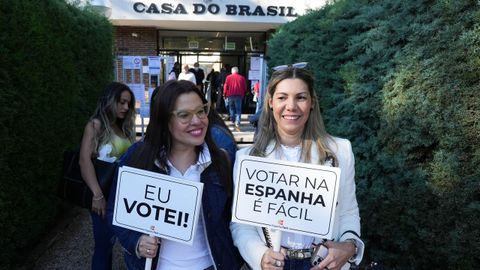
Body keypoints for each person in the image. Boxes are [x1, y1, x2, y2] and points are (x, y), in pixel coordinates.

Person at [230, 66, 364, 270]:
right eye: (282, 97)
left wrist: (349, 246)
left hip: (322, 263)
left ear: (311, 103)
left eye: (300, 97)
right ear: (270, 102)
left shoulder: (340, 152)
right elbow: (241, 223)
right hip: (274, 264)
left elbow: (348, 212)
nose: (291, 106)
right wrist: (260, 256)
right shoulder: (248, 159)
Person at [107, 80, 244, 270]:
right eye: (184, 115)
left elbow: (235, 220)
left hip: (210, 265)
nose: (197, 121)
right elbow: (115, 211)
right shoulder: (138, 158)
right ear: (164, 120)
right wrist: (137, 242)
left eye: (201, 111)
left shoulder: (221, 161)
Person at [79, 81, 136, 270]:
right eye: (121, 102)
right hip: (103, 195)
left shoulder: (123, 127)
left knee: (115, 244)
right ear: (110, 100)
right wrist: (97, 195)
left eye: (128, 103)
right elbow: (84, 161)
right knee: (103, 246)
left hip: (123, 197)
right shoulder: (96, 125)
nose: (126, 107)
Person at [223, 66, 247, 132]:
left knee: (231, 108)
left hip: (230, 95)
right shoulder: (242, 78)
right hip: (239, 96)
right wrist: (244, 93)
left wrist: (224, 94)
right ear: (237, 71)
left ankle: (233, 119)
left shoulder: (228, 77)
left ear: (232, 71)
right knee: (238, 109)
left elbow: (226, 86)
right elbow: (245, 87)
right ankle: (237, 122)